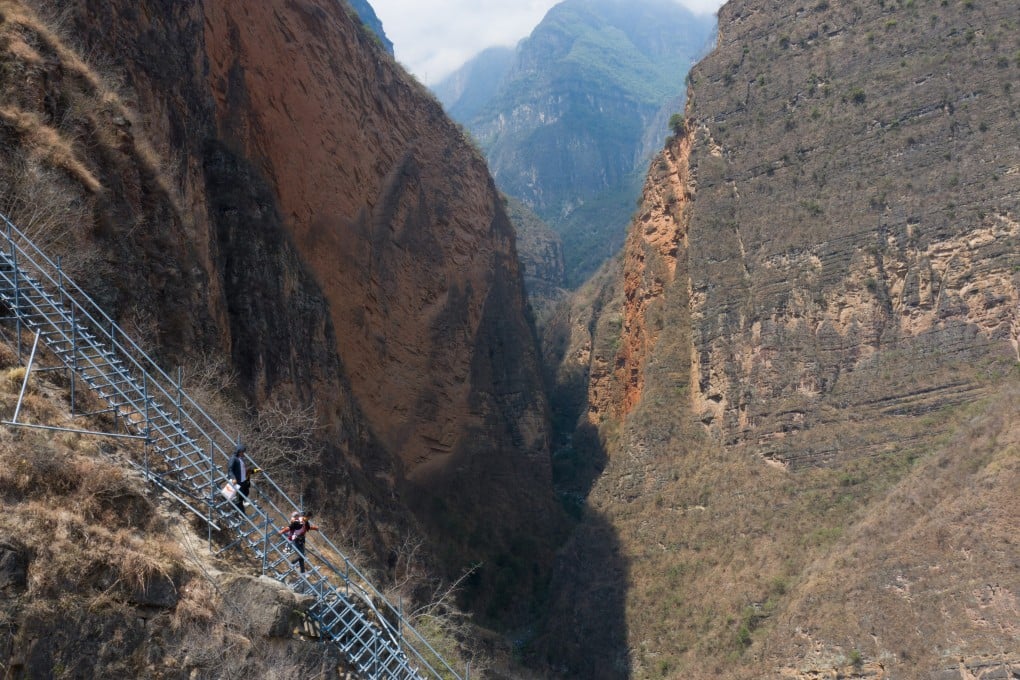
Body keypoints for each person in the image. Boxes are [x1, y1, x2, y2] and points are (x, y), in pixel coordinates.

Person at [227, 444, 251, 514]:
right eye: (242, 452)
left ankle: (240, 505)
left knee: (246, 492)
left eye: (243, 452)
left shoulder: (241, 459)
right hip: (237, 481)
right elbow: (230, 469)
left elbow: (246, 470)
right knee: (239, 497)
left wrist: (258, 470)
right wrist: (233, 478)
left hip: (243, 480)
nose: (243, 453)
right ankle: (242, 513)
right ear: (238, 451)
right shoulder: (233, 458)